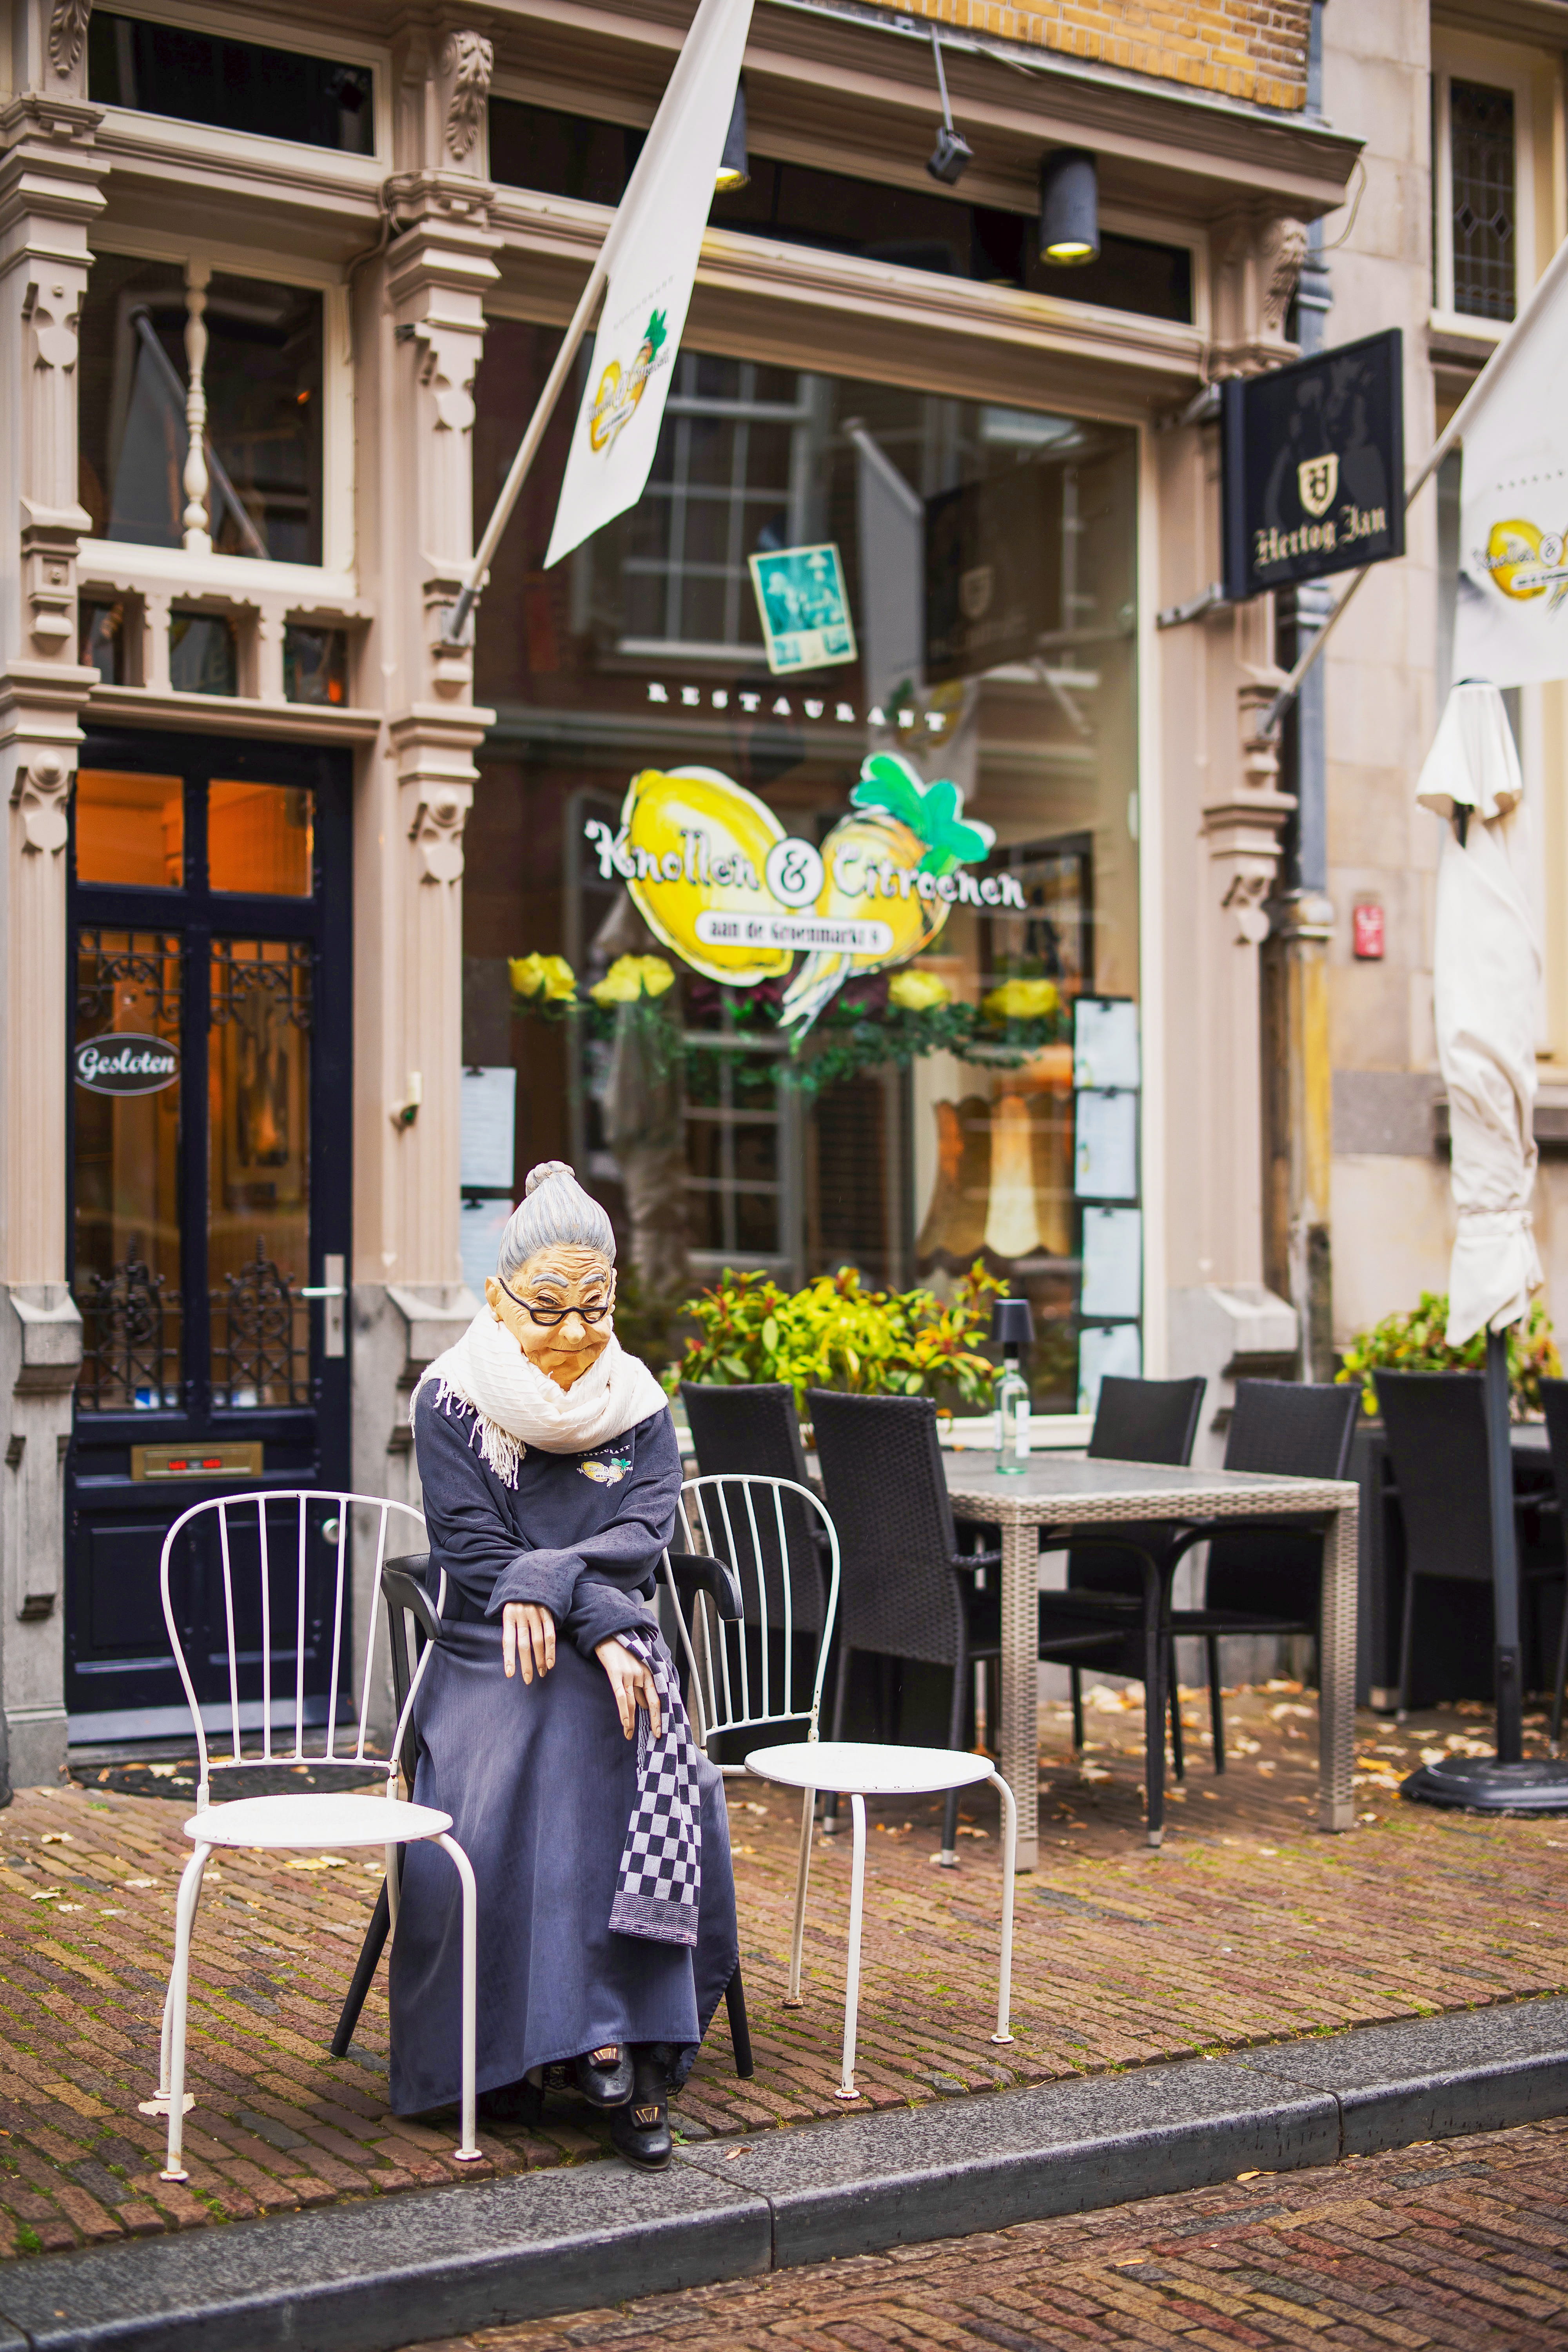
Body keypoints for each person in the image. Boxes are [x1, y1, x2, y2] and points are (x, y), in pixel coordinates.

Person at [388, 1160, 737, 2167]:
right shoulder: (451, 1400)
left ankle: (620, 2039)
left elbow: (644, 1529)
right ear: (497, 1299)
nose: (577, 1334)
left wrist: (567, 1591)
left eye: (596, 1307)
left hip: (602, 1636)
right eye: (549, 1310)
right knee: (561, 1732)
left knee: (618, 1727)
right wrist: (579, 1604)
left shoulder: (635, 1401)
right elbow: (469, 1546)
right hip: (486, 1649)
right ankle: (582, 2038)